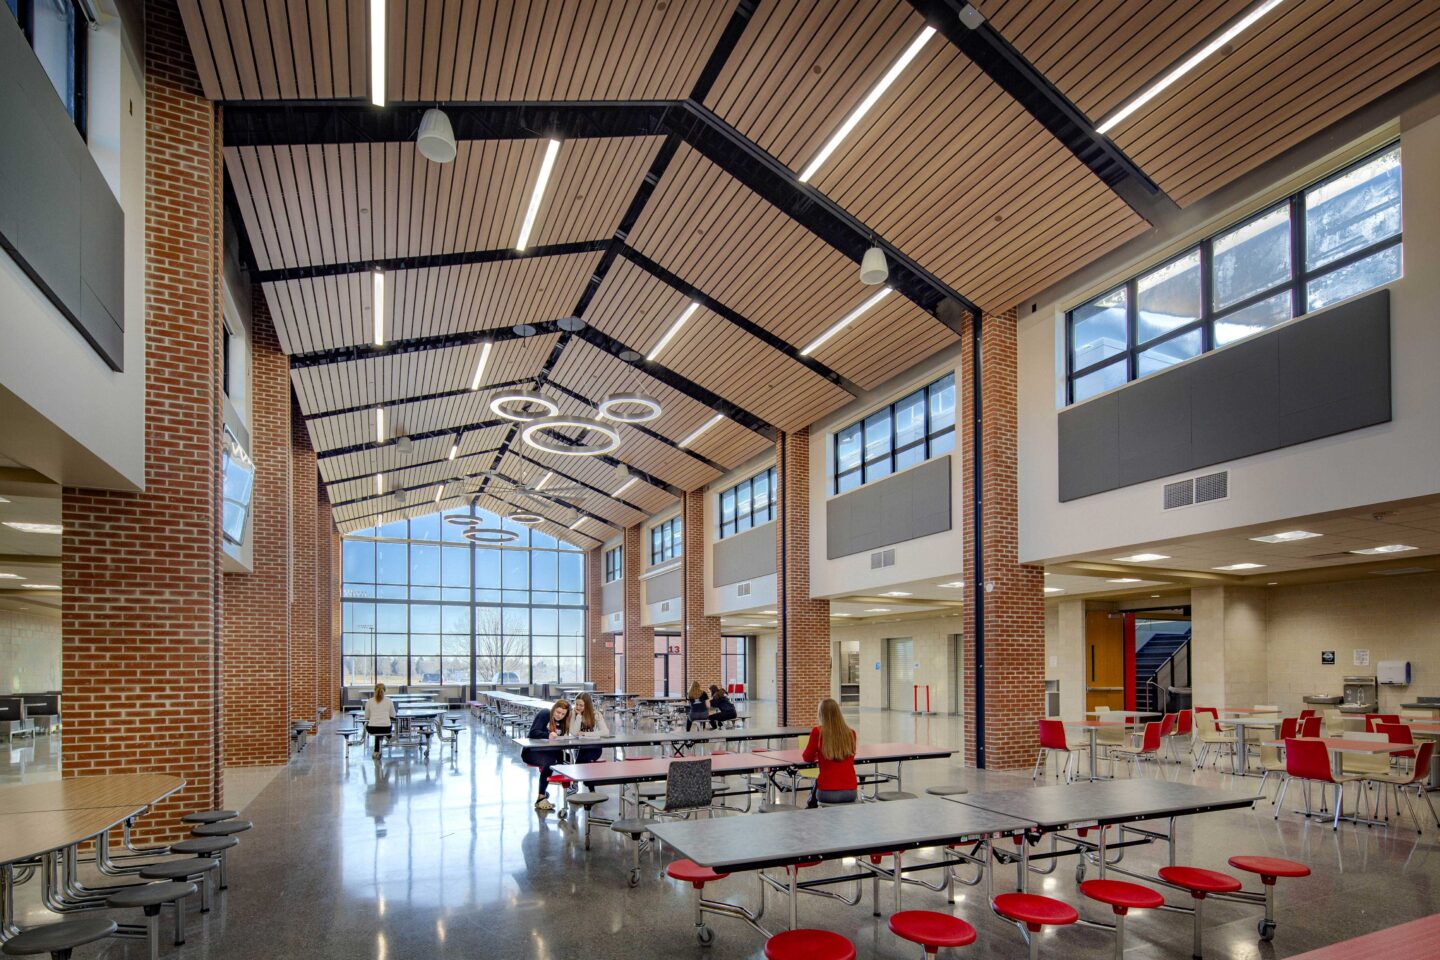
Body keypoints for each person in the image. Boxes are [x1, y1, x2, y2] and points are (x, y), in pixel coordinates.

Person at [803, 698, 858, 807]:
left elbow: (807, 757)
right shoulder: (851, 733)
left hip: (827, 791)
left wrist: (818, 754)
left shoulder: (817, 732)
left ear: (821, 714)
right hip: (850, 791)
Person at [521, 699, 571, 811]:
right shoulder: (545, 714)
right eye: (558, 712)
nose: (559, 716)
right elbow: (533, 733)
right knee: (550, 762)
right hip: (531, 752)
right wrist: (547, 735)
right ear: (553, 709)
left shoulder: (562, 723)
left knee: (569, 759)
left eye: (563, 714)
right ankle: (541, 797)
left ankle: (571, 786)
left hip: (548, 751)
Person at [568, 692, 610, 763]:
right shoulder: (573, 713)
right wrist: (579, 716)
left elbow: (606, 732)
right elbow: (574, 733)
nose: (578, 707)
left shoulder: (596, 714)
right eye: (577, 704)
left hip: (594, 747)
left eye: (581, 705)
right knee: (579, 764)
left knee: (584, 761)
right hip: (581, 747)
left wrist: (585, 734)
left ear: (587, 706)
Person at [364, 683, 398, 757]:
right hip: (386, 729)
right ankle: (389, 736)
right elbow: (393, 715)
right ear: (385, 691)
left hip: (372, 729)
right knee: (384, 726)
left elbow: (366, 717)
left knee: (370, 725)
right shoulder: (389, 701)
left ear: (374, 690)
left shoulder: (369, 701)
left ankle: (377, 751)